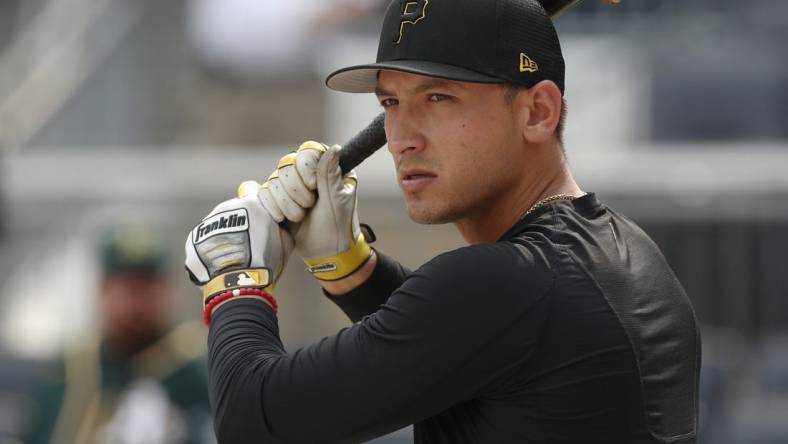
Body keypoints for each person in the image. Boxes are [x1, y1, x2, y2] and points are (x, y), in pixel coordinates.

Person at [184, 0, 701, 442]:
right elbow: (453, 337)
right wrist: (348, 267)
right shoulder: (621, 246)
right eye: (390, 101)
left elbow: (252, 418)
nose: (403, 136)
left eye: (437, 98)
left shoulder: (502, 285)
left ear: (538, 112)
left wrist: (235, 279)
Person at [25, 223, 214, 444]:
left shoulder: (195, 367)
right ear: (102, 291)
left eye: (146, 288)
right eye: (127, 289)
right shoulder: (73, 370)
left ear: (165, 290)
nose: (135, 303)